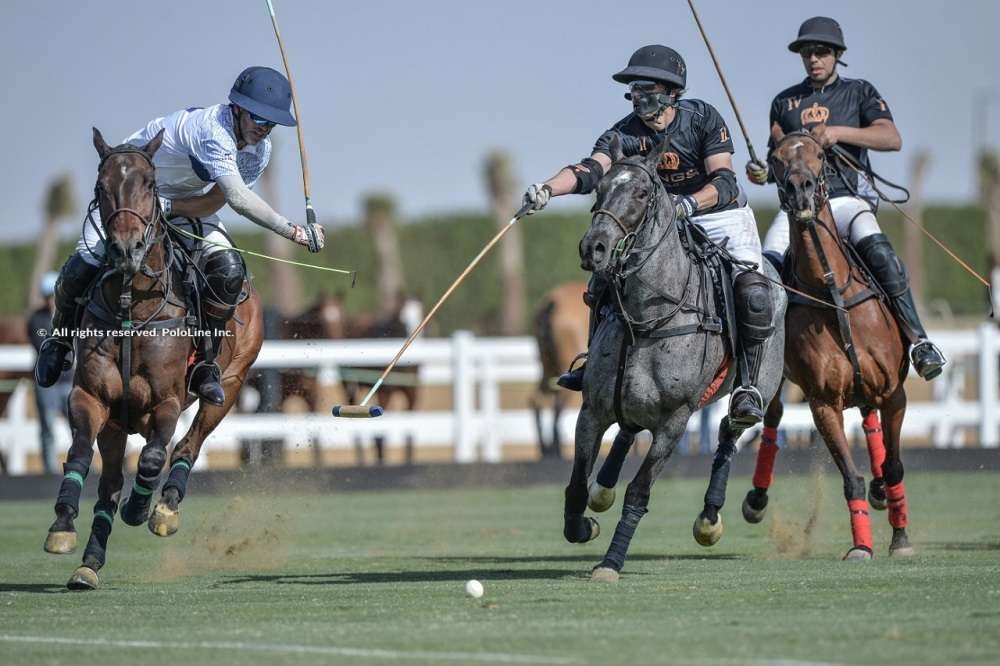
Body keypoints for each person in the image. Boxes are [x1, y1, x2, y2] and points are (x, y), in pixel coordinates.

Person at [34, 66, 326, 404]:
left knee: (229, 270)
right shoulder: (212, 131)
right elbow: (239, 199)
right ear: (237, 108)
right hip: (127, 195)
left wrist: (168, 207)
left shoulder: (260, 151)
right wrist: (294, 232)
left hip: (179, 203)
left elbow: (216, 199)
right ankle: (59, 341)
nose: (264, 128)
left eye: (271, 122)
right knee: (85, 261)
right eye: (258, 118)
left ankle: (206, 362)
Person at [522, 45, 774, 426]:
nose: (637, 96)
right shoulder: (623, 134)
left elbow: (724, 181)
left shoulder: (703, 118)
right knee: (602, 280)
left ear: (672, 93)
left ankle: (748, 388)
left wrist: (687, 205)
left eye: (646, 88)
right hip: (660, 221)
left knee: (754, 292)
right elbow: (589, 170)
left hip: (721, 216)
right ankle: (592, 362)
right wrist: (545, 189)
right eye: (633, 89)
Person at [747, 16, 945, 380]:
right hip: (797, 209)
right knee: (764, 272)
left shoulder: (859, 92)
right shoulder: (784, 102)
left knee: (882, 254)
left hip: (846, 199)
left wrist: (839, 132)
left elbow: (891, 138)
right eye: (807, 53)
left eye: (821, 51)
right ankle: (758, 364)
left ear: (837, 54)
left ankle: (919, 341)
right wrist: (760, 172)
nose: (814, 59)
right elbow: (776, 155)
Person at [27, 272, 71, 473]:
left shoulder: (69, 316)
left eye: (53, 295)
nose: (50, 300)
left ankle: (79, 464)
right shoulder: (36, 320)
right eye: (47, 296)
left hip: (68, 380)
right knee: (47, 426)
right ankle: (49, 469)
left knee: (78, 425)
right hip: (47, 382)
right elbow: (44, 345)